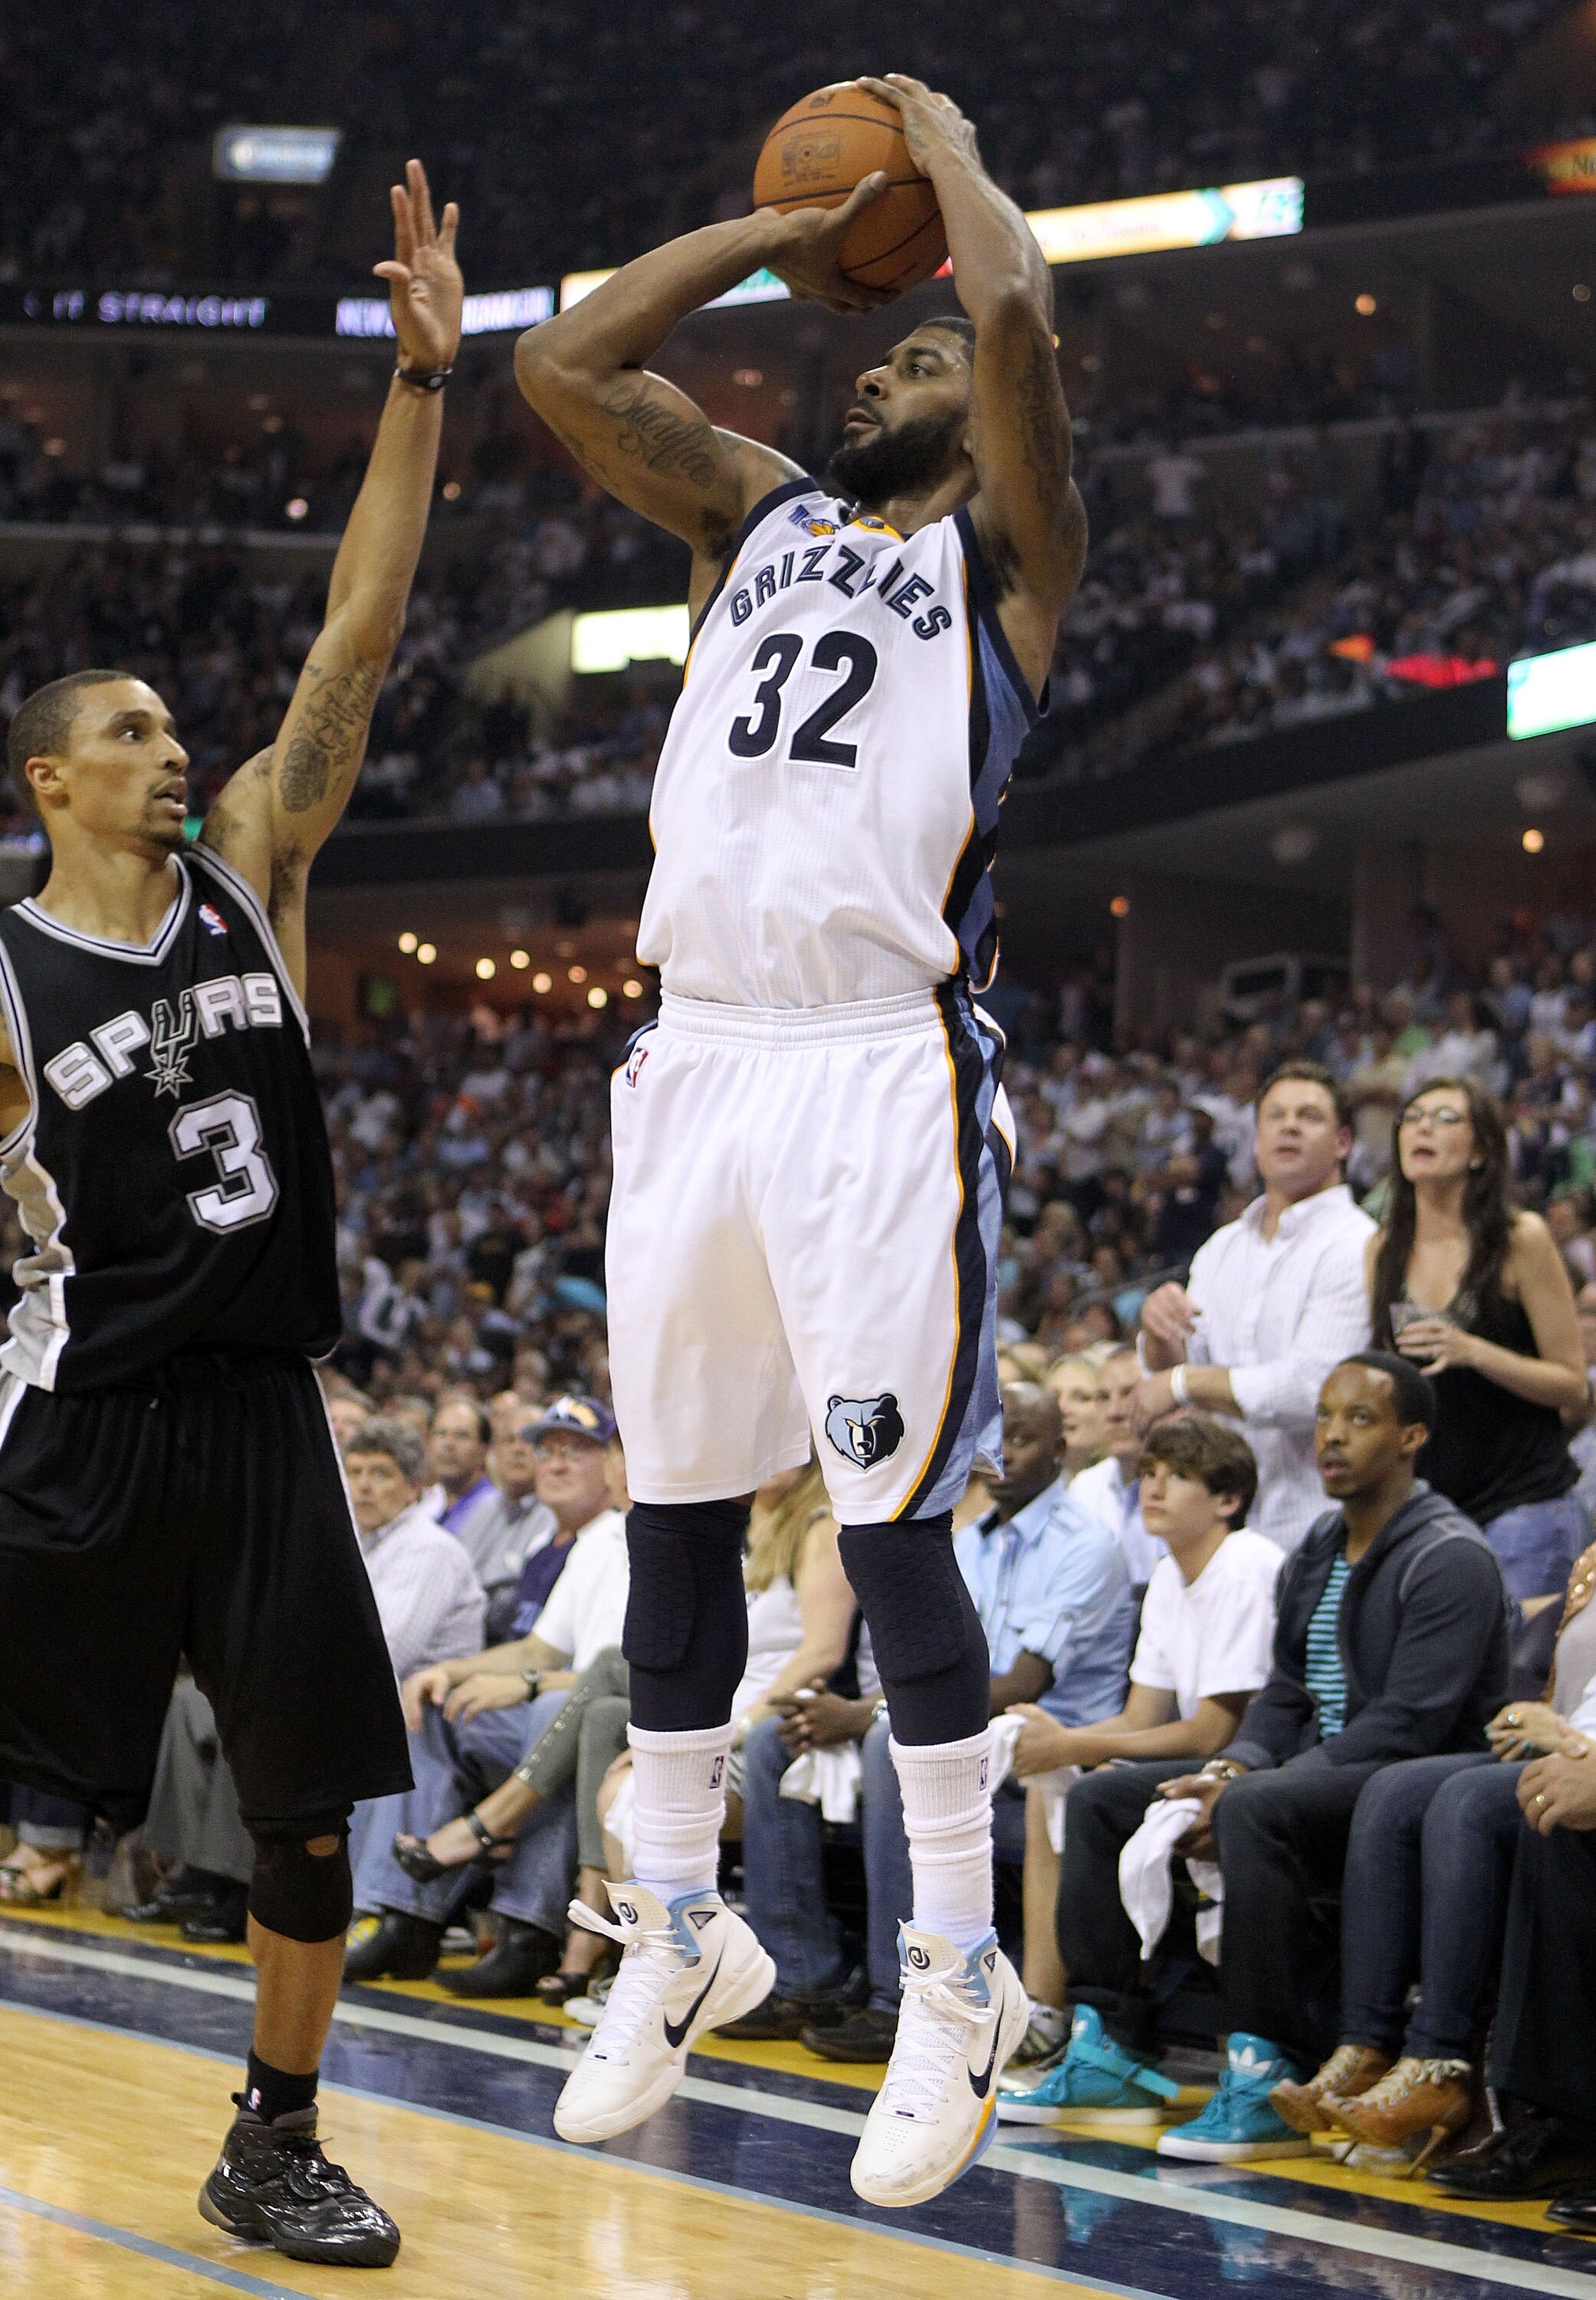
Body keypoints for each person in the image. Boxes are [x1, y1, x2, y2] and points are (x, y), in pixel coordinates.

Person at [515, 74, 1087, 2206]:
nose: (886, 365)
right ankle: (677, 1919)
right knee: (673, 1514)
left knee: (889, 1533)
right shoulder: (751, 518)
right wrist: (781, 230)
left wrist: (934, 163)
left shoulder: (1007, 559)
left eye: (907, 348)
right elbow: (564, 364)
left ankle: (958, 1980)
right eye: (874, 344)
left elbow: (1019, 314)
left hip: (873, 1065)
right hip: (695, 1059)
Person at [0, 162, 461, 2269]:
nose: (172, 744)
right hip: (82, 1418)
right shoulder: (6, 977)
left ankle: (271, 2135)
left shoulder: (258, 868)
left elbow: (357, 630)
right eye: (129, 730)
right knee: (22, 1822)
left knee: (303, 1813)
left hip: (263, 1411)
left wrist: (421, 389)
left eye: (176, 723)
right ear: (50, 785)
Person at [1050, 1355, 1508, 2163]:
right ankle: (1110, 2045)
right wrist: (1235, 1765)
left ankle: (1267, 2070)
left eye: (1359, 1420)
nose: (1331, 1436)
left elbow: (1409, 1724)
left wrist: (1259, 1783)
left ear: (1413, 1437)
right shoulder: (1321, 1545)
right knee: (1107, 1799)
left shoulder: (1449, 1557)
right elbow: (1287, 1691)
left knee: (1256, 1809)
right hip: (1308, 1773)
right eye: (1326, 1416)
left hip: (1408, 1786)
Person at [721, 1384, 1131, 2062]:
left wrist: (866, 1713)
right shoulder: (970, 1541)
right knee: (776, 1741)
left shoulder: (1085, 1545)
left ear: (1061, 1451)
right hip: (958, 1734)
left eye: (1021, 1439)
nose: (995, 1456)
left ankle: (901, 1997)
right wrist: (861, 1711)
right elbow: (920, 1663)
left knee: (890, 1740)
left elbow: (1016, 1685)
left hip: (1044, 1747)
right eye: (987, 1438)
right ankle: (801, 1974)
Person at [1270, 1533, 1596, 2168]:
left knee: (1467, 1803)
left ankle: (1438, 2061)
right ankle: (1367, 2047)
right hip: (1567, 1750)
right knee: (1391, 1792)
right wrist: (1541, 1721)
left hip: (1578, 1760)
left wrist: (1559, 1735)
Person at [996, 1416, 1280, 2119]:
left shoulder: (1247, 1565)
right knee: (1061, 1781)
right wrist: (1065, 1739)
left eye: (1178, 1476)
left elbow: (1219, 1727)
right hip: (1204, 1755)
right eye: (1150, 1472)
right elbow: (1142, 1716)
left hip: (1259, 1763)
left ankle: (1113, 2037)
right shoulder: (1164, 1576)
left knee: (1094, 1794)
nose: (1153, 1486)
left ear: (1227, 1500)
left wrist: (1075, 1747)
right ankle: (1064, 2021)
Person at [136, 1416, 487, 1944]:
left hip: (401, 1712)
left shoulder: (429, 1549)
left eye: (382, 1474)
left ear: (415, 1488)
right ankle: (197, 1872)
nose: (365, 1485)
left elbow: (386, 1652)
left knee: (269, 1710)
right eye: (357, 1472)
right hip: (339, 1693)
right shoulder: (353, 1541)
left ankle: (241, 1892)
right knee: (192, 1702)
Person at [346, 1398, 627, 1994]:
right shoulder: (583, 1544)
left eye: (576, 1451)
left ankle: (530, 1929)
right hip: (557, 1712)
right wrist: (449, 1671)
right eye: (546, 1450)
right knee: (426, 1706)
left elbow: (611, 1674)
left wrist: (518, 1686)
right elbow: (538, 1651)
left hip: (615, 1726)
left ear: (615, 1463)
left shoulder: (633, 1537)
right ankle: (402, 1915)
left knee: (553, 1714)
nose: (554, 1463)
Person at [1137, 1061, 1376, 1553]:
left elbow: (1313, 1389)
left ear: (1343, 1143)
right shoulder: (1222, 1247)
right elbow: (1173, 1375)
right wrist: (1159, 1332)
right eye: (1276, 1116)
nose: (1289, 1126)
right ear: (1256, 1138)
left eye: (1309, 1117)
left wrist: (1181, 1382)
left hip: (1314, 1532)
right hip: (1219, 1532)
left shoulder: (1355, 1243)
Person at [1369, 1076, 1590, 1599]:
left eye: (1445, 1118)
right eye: (1414, 1117)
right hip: (1430, 1512)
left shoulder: (1521, 1240)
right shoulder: (1382, 1249)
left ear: (1481, 1151)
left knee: (1516, 1679)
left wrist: (1474, 1351)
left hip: (1525, 1508)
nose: (1423, 1127)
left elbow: (1573, 1385)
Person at [1069, 1346, 1161, 1585]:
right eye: (1103, 1398)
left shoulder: (1187, 1484)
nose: (1114, 1412)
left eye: (1129, 1393)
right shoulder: (1084, 1489)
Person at [420, 1393, 498, 1550]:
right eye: (441, 1434)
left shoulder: (496, 1510)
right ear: (428, 1443)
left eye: (462, 1436)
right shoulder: (425, 1505)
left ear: (483, 1450)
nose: (449, 1444)